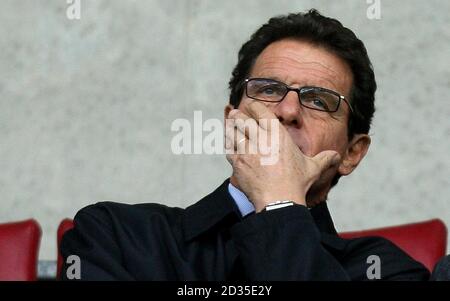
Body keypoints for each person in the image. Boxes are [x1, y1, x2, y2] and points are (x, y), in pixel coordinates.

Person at [60, 9, 430, 281]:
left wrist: (279, 205)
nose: (287, 111)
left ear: (352, 153)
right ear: (231, 121)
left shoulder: (386, 270)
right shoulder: (116, 234)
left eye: (318, 100)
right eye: (269, 89)